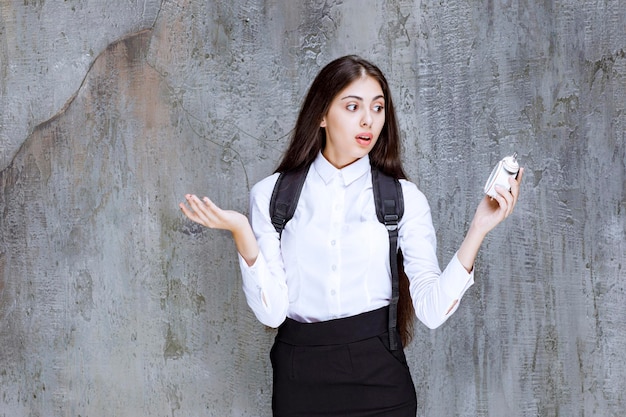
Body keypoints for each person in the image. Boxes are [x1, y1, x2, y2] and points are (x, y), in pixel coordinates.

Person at [179, 55, 523, 417]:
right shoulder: (271, 195)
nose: (368, 120)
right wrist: (241, 232)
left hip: (380, 384)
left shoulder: (403, 199)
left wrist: (478, 228)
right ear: (322, 115)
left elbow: (433, 310)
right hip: (300, 383)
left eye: (377, 108)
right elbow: (272, 313)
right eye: (352, 106)